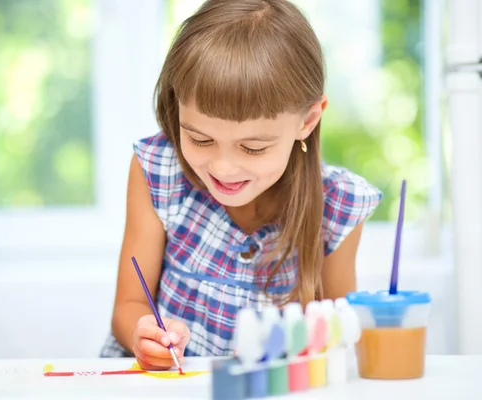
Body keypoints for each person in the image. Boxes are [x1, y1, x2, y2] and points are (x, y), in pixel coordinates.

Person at [99, 0, 382, 371]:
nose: (223, 168)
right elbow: (128, 307)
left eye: (253, 147)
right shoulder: (158, 169)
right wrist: (146, 335)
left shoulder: (340, 207)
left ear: (308, 121)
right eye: (200, 139)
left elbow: (338, 337)